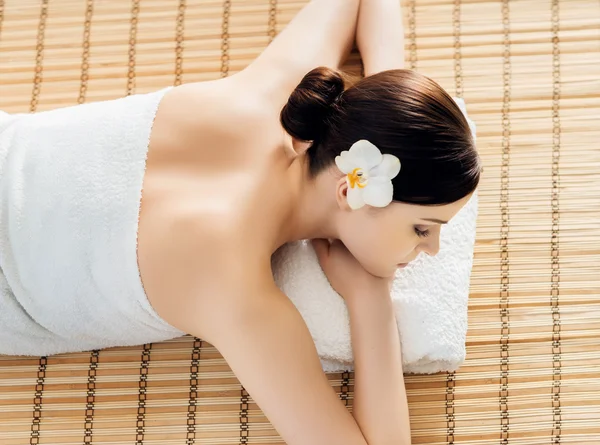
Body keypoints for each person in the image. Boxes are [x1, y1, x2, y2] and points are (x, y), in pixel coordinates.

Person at [0, 0, 480, 444]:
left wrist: (392, 100)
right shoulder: (232, 284)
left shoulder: (269, 95)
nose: (433, 249)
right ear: (350, 191)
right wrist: (371, 300)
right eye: (422, 228)